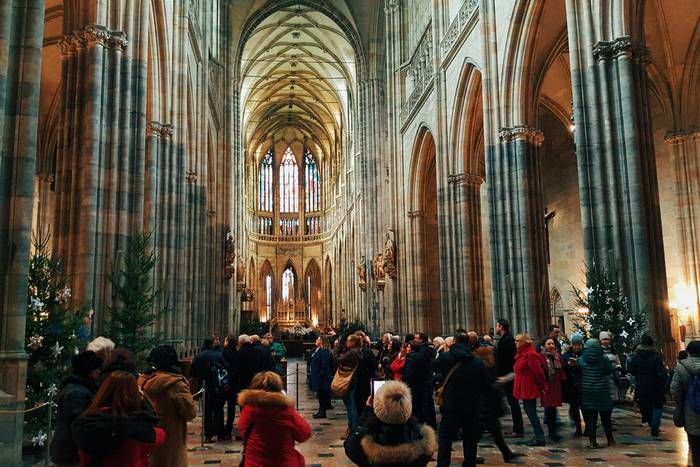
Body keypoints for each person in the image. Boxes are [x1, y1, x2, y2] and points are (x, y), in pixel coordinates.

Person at [72, 370, 165, 466]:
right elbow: (159, 435)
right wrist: (143, 400)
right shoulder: (136, 426)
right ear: (134, 394)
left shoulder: (86, 423)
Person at [344, 381, 437, 467]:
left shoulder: (361, 445)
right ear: (408, 408)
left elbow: (349, 443)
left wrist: (366, 412)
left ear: (377, 409)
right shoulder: (424, 443)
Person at [433, 333, 489, 467]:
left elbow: (433, 369)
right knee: (470, 437)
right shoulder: (477, 361)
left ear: (454, 341)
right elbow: (485, 384)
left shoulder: (445, 356)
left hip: (450, 404)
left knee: (445, 436)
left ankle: (443, 464)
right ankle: (469, 463)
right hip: (471, 405)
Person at [237, 371, 312, 467]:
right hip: (284, 462)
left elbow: (243, 431)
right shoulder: (286, 411)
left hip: (254, 463)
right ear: (278, 388)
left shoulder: (248, 410)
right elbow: (304, 434)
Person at [141, 345, 197, 467]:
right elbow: (190, 412)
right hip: (171, 437)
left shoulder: (142, 381)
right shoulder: (175, 384)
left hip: (149, 435)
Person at [50, 350, 103, 466]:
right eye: (95, 368)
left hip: (72, 449)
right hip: (70, 451)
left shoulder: (83, 387)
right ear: (87, 370)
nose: (99, 371)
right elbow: (78, 422)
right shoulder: (76, 391)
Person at [473, 345, 522, 463]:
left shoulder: (489, 367)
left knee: (488, 432)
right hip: (484, 405)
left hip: (488, 405)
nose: (493, 356)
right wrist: (502, 382)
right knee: (491, 432)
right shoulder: (481, 368)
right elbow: (486, 388)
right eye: (491, 354)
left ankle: (506, 454)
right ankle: (507, 454)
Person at [191, 337, 230, 442]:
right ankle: (220, 433)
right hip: (217, 387)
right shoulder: (218, 355)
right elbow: (226, 367)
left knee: (207, 411)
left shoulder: (198, 356)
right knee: (218, 410)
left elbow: (192, 372)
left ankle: (208, 434)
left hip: (204, 387)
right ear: (212, 344)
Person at [579, 338, 615, 448]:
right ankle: (610, 439)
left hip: (588, 391)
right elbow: (609, 371)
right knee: (606, 418)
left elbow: (579, 371)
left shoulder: (582, 359)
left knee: (591, 418)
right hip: (602, 390)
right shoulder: (603, 359)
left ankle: (592, 441)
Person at [512, 333, 547, 446]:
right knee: (529, 411)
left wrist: (542, 386)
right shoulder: (522, 353)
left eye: (518, 340)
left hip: (529, 388)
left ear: (525, 342)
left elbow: (538, 372)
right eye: (515, 340)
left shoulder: (530, 354)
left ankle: (540, 438)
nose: (515, 342)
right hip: (524, 386)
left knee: (531, 412)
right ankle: (538, 435)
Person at [628, 334, 666, 436]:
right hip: (655, 385)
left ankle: (651, 423)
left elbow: (632, 371)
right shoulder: (656, 357)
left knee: (645, 406)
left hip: (641, 385)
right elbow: (661, 372)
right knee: (658, 406)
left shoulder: (636, 357)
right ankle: (655, 424)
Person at [671, 340, 700, 467]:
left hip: (690, 409)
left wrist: (679, 401)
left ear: (688, 352)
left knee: (694, 443)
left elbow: (674, 389)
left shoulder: (681, 367)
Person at [495, 318, 523, 438]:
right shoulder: (506, 339)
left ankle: (518, 429)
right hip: (507, 375)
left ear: (501, 326)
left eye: (497, 326)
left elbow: (506, 359)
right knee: (512, 402)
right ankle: (517, 428)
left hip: (509, 376)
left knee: (513, 403)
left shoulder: (507, 340)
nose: (496, 328)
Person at [338, 334, 364, 438]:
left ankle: (352, 430)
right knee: (351, 405)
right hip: (352, 380)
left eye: (348, 341)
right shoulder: (357, 351)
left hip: (348, 380)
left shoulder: (352, 353)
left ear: (353, 343)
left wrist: (336, 349)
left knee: (349, 406)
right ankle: (353, 428)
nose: (347, 343)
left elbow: (337, 360)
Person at [540, 337, 566, 442]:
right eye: (548, 344)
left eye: (552, 344)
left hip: (556, 385)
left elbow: (561, 368)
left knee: (553, 409)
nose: (551, 346)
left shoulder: (557, 355)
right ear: (544, 346)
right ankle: (552, 432)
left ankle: (553, 431)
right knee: (550, 409)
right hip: (547, 385)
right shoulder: (541, 356)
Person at [403, 340, 433, 427]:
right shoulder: (422, 357)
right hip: (422, 385)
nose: (407, 348)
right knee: (420, 408)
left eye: (408, 347)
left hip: (412, 386)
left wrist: (403, 379)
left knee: (413, 408)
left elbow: (409, 373)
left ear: (412, 348)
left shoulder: (410, 358)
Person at [562, 333, 585, 436]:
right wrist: (568, 365)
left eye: (578, 344)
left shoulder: (585, 354)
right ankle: (578, 428)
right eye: (575, 345)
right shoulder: (567, 355)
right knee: (574, 408)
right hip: (571, 386)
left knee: (585, 408)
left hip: (583, 384)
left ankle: (588, 428)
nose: (576, 347)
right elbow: (563, 368)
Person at [354, 332, 378, 417]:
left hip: (362, 379)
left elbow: (374, 365)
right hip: (361, 379)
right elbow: (374, 365)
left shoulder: (357, 352)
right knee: (360, 401)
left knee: (361, 401)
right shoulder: (365, 351)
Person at [221, 334, 240, 440]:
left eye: (225, 340)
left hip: (225, 383)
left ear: (227, 341)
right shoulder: (237, 353)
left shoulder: (224, 353)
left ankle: (222, 430)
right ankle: (229, 427)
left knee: (220, 406)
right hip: (234, 383)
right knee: (231, 407)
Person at [309, 336, 333, 418]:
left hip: (322, 377)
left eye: (318, 339)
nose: (316, 340)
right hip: (318, 376)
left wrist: (320, 375)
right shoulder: (318, 350)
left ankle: (322, 412)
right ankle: (320, 411)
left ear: (322, 341)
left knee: (322, 395)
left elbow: (324, 364)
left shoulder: (325, 351)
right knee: (320, 395)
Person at [599, 331, 621, 401]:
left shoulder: (613, 350)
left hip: (613, 375)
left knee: (612, 393)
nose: (606, 341)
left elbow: (617, 361)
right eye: (604, 339)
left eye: (607, 339)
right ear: (600, 340)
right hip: (602, 376)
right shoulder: (598, 350)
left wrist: (618, 367)